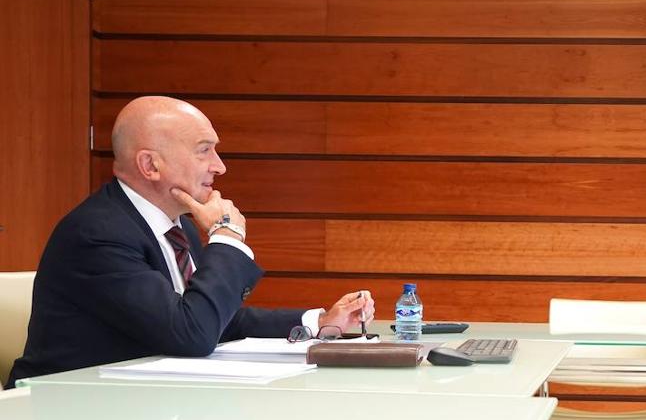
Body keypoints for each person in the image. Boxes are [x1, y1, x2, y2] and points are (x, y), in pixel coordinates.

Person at [6, 97, 377, 387]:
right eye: (204, 150)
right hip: (69, 416)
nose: (220, 166)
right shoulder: (98, 234)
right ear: (151, 166)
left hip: (140, 409)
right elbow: (192, 335)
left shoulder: (175, 224)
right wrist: (226, 236)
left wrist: (318, 321)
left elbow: (213, 320)